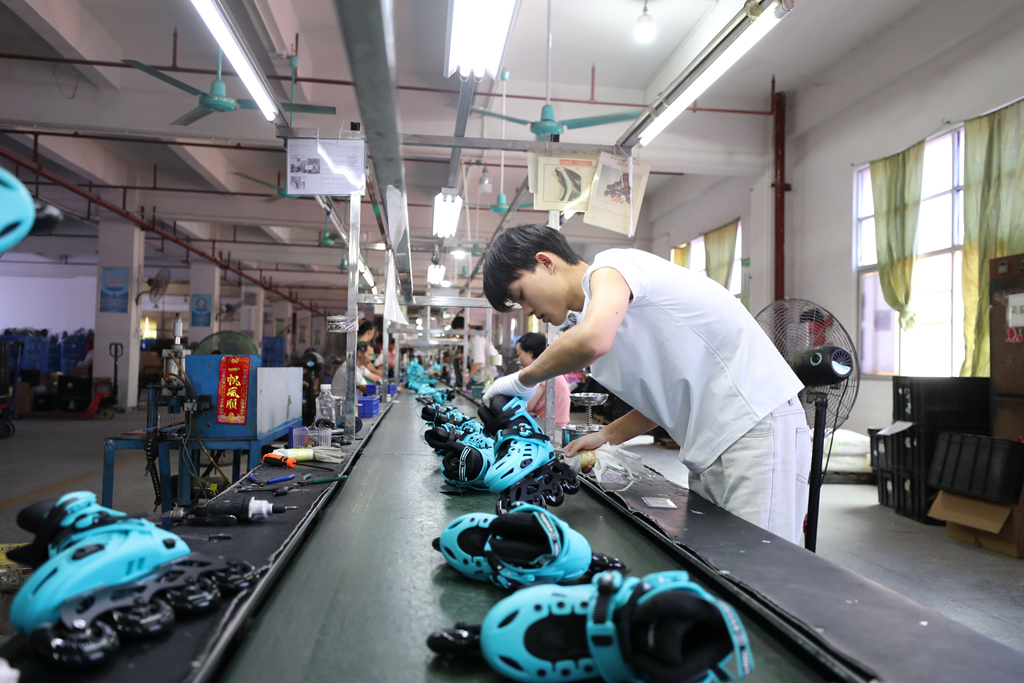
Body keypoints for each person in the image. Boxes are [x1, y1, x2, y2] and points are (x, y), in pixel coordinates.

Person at [481, 224, 810, 544]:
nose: (528, 310)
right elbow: (663, 398)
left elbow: (592, 341)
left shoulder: (612, 269)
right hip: (710, 446)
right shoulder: (595, 315)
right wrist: (606, 436)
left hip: (754, 427)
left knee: (760, 563)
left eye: (521, 295)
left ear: (545, 262)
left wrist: (521, 381)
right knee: (719, 559)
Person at [515, 332, 570, 427]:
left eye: (519, 354)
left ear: (530, 353)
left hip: (551, 427)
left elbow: (527, 406)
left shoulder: (541, 373)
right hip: (553, 424)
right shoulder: (548, 369)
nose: (519, 359)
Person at [452, 315, 498, 388]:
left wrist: (467, 378)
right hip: (481, 377)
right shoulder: (470, 339)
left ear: (464, 328)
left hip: (487, 378)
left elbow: (478, 361)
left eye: (459, 332)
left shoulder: (476, 338)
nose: (459, 335)